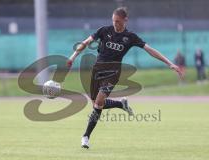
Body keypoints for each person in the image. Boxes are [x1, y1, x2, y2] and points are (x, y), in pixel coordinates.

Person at [66, 7, 182, 149]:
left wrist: (170, 63)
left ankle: (86, 137)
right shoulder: (104, 30)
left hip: (113, 72)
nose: (115, 24)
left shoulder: (130, 37)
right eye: (114, 21)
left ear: (125, 20)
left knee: (99, 102)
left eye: (118, 21)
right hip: (98, 70)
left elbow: (150, 50)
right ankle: (121, 104)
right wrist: (73, 57)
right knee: (96, 103)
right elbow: (85, 43)